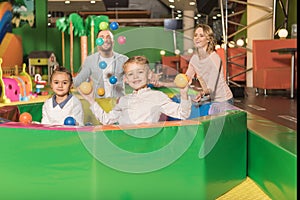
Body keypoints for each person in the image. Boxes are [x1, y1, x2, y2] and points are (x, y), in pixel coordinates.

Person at [78, 56, 191, 125]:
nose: (135, 77)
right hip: (126, 147)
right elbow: (106, 120)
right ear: (126, 79)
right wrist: (91, 101)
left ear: (149, 74)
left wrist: (184, 93)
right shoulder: (123, 100)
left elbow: (183, 113)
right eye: (131, 74)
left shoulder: (157, 96)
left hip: (147, 146)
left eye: (140, 72)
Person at [152, 24, 233, 105]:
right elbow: (185, 80)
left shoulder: (214, 58)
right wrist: (163, 84)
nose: (197, 38)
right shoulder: (194, 58)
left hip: (224, 100)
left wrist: (202, 93)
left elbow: (211, 89)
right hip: (210, 99)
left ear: (208, 39)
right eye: (195, 35)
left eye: (201, 36)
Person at [73, 29, 129, 98]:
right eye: (101, 37)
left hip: (119, 102)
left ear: (113, 42)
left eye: (108, 37)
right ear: (97, 42)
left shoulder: (124, 59)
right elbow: (78, 81)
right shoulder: (90, 60)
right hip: (99, 104)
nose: (105, 40)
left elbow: (132, 79)